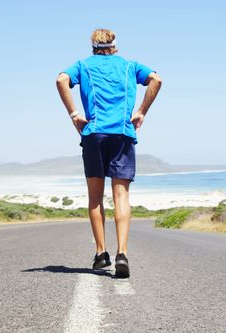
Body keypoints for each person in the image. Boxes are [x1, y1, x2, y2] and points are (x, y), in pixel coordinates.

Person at [56, 28, 162, 278]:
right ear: (115, 45)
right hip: (123, 134)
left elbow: (61, 79)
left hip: (94, 134)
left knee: (95, 198)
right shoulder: (129, 65)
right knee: (121, 196)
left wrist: (74, 116)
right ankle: (122, 253)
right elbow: (156, 79)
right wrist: (142, 111)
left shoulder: (83, 65)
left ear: (92, 45)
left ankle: (101, 253)